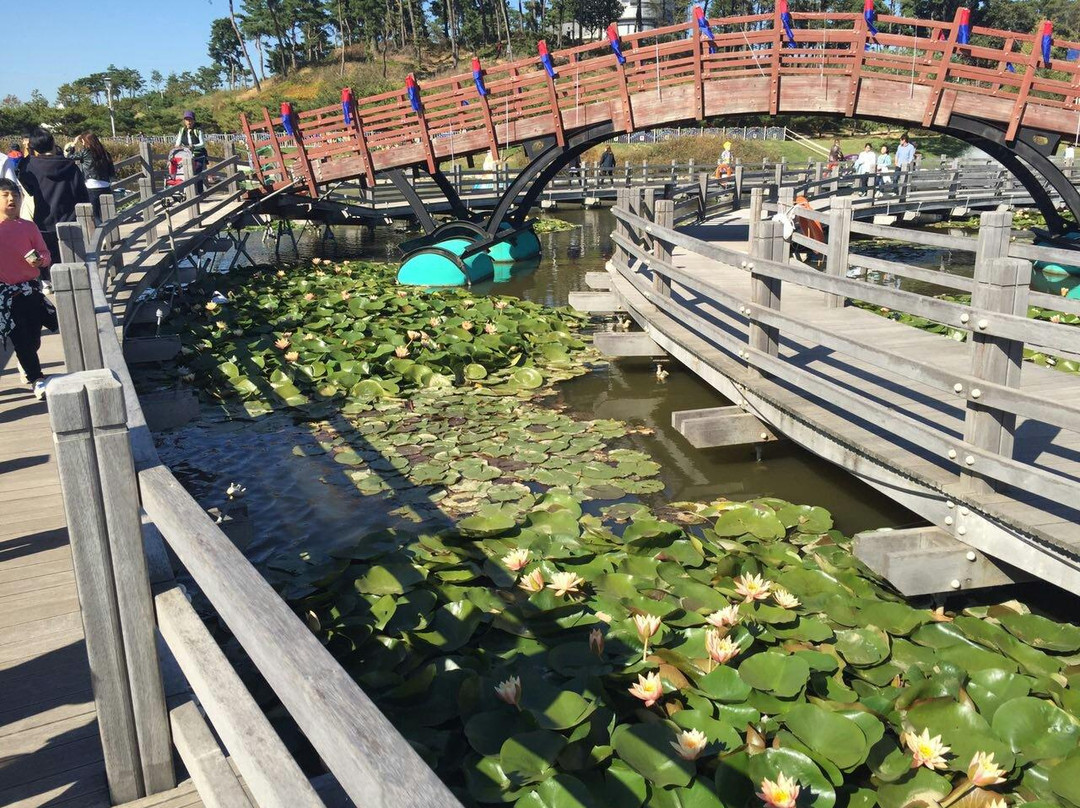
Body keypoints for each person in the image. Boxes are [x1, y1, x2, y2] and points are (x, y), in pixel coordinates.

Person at [0, 178, 53, 399]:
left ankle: (28, 366)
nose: (12, 199)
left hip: (31, 289)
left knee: (33, 337)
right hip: (5, 294)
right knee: (20, 336)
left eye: (15, 195)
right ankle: (37, 378)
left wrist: (40, 261)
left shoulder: (28, 226)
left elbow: (46, 254)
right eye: (5, 195)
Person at [15, 128, 88, 288]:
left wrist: (28, 153)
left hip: (43, 221)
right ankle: (76, 286)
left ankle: (48, 283)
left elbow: (28, 189)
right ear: (54, 144)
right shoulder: (70, 165)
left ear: (33, 147)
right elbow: (82, 195)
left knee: (47, 257)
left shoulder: (30, 166)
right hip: (70, 221)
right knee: (72, 262)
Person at [71, 132, 115, 221]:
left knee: (94, 215)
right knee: (107, 214)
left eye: (82, 142)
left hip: (91, 186)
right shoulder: (105, 153)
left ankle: (98, 233)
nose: (82, 144)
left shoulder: (85, 152)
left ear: (86, 142)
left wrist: (73, 145)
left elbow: (69, 157)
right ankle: (109, 231)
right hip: (106, 186)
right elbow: (112, 172)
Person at [175, 111, 208, 193]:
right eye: (187, 119)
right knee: (184, 173)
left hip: (198, 155)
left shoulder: (198, 130)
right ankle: (186, 193)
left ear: (194, 120)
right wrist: (177, 147)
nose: (188, 122)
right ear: (184, 121)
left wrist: (193, 146)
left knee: (197, 173)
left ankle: (199, 193)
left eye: (190, 119)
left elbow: (202, 144)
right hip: (186, 155)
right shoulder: (182, 130)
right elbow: (178, 142)